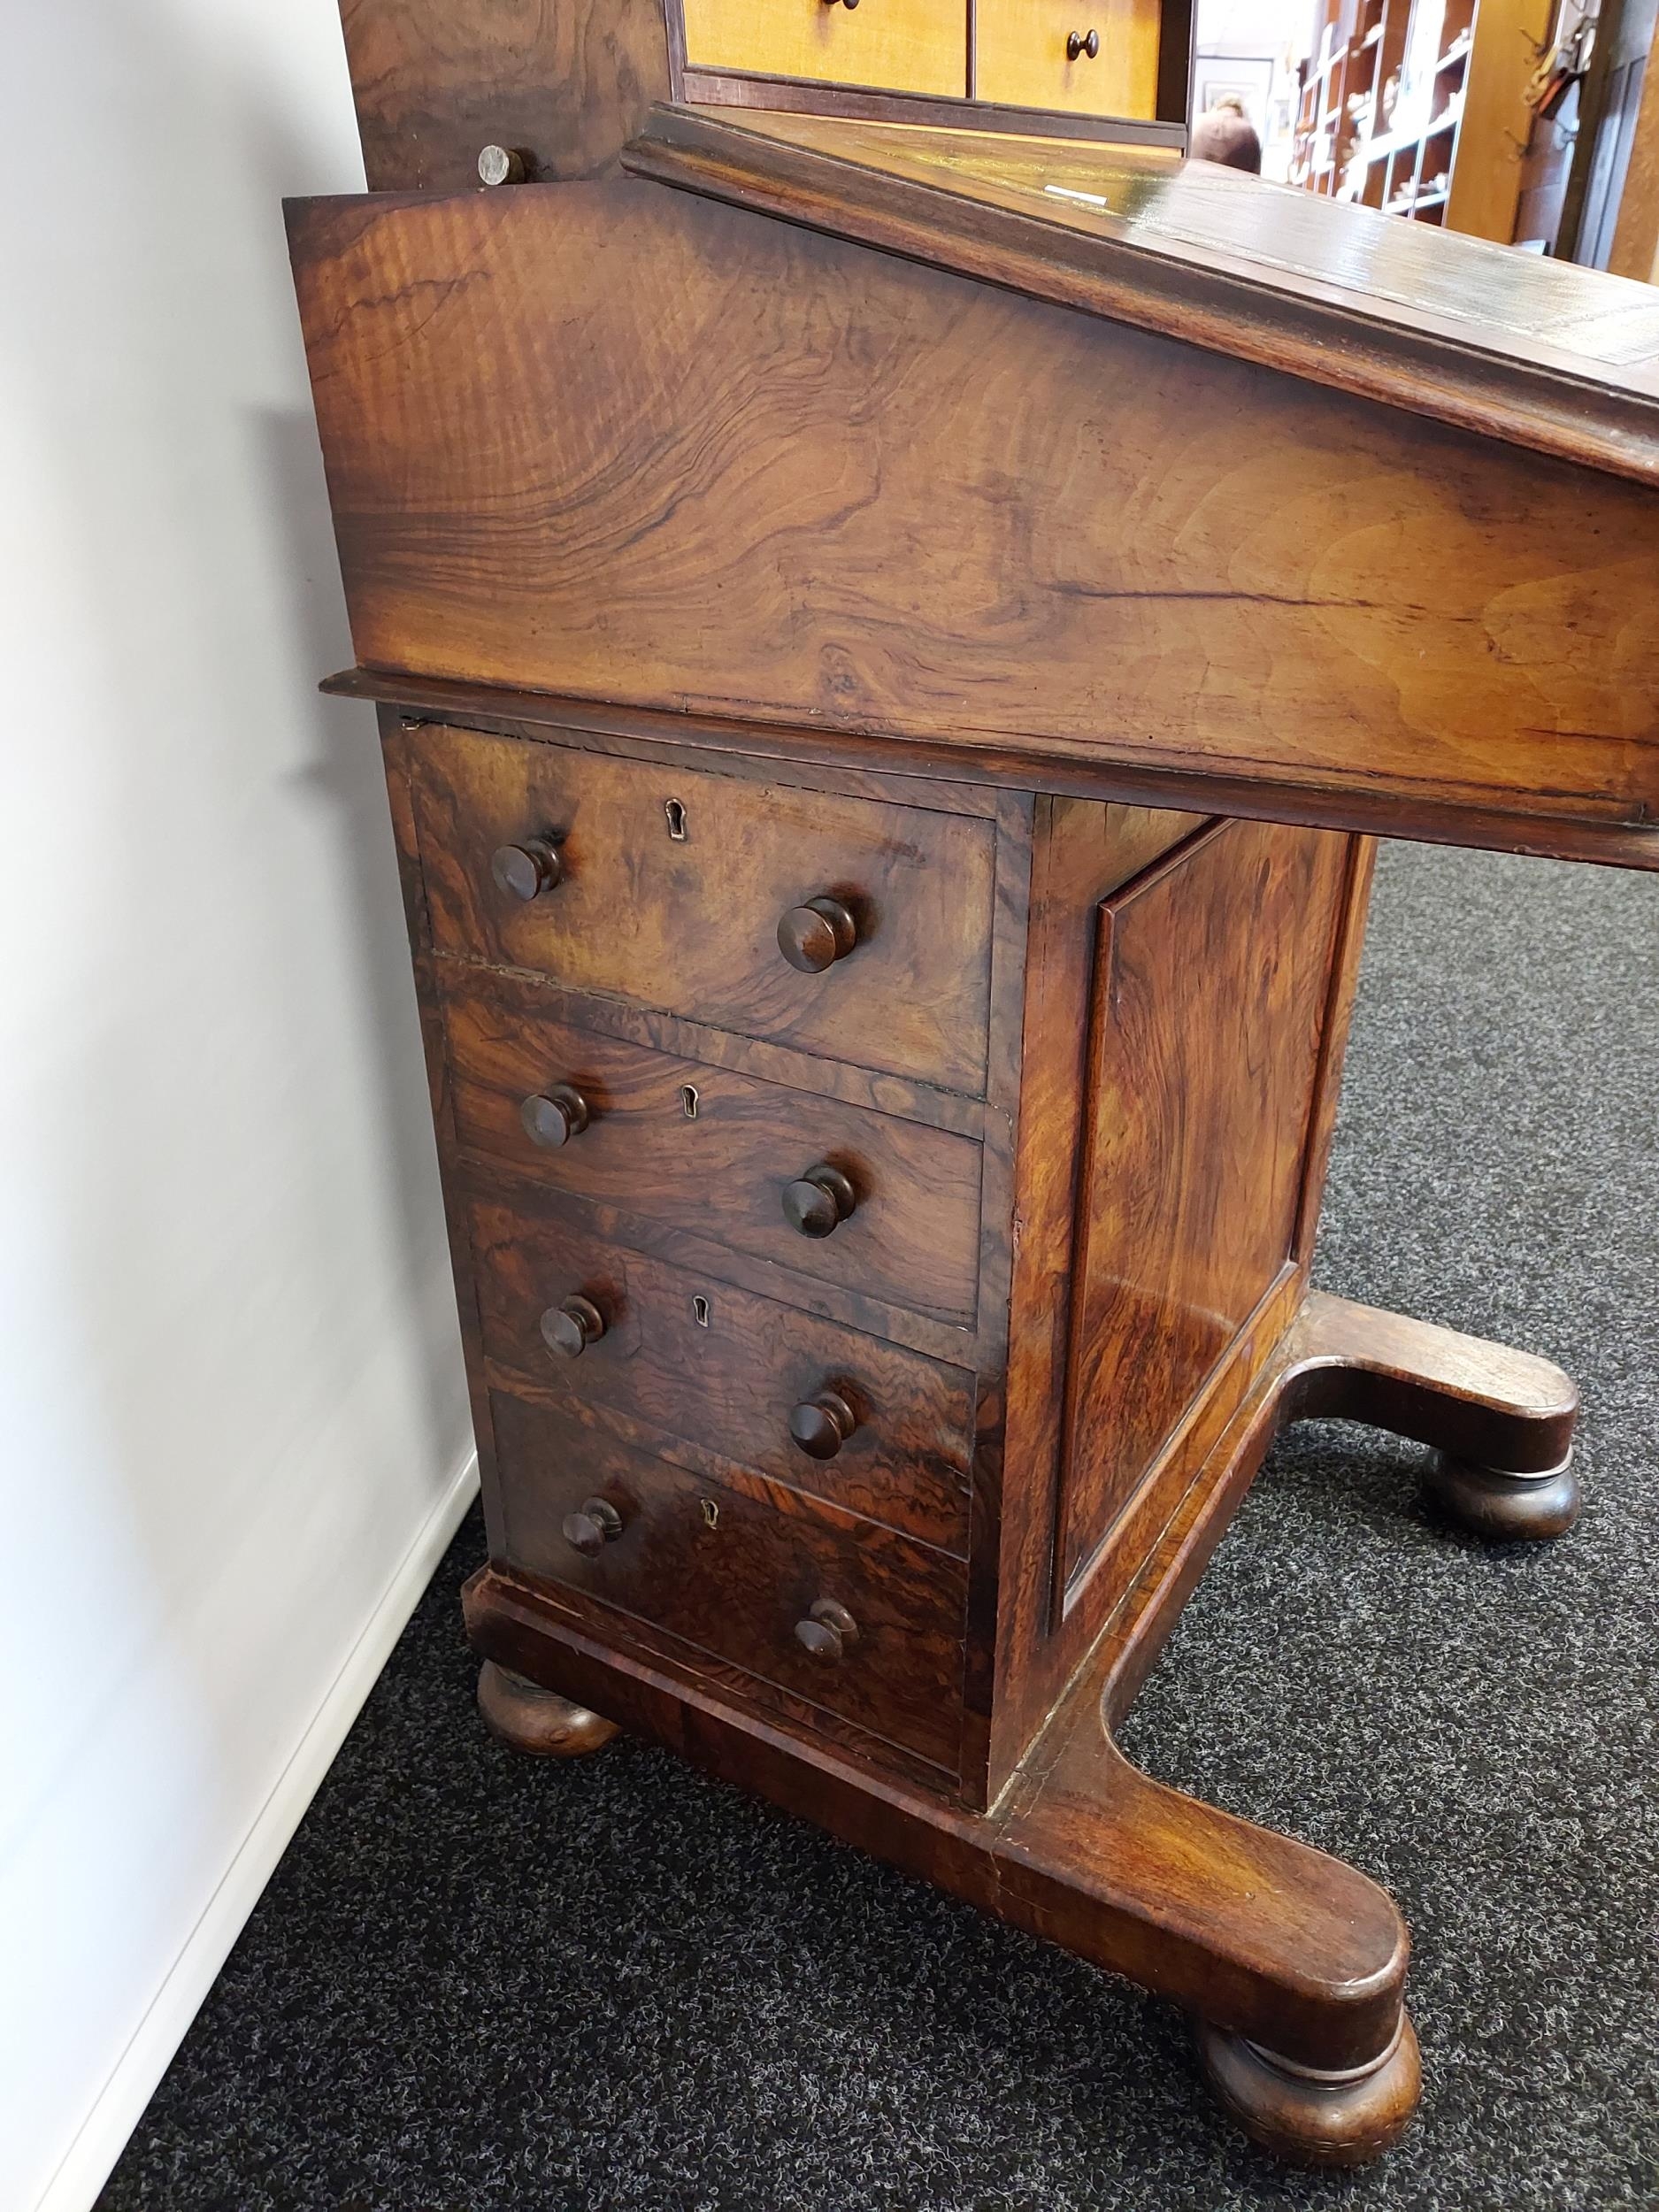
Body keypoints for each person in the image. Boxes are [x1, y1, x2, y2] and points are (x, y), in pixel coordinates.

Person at [1189, 94, 1263, 173]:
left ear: (1218, 107)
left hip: (1195, 180)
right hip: (1231, 183)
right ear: (1240, 112)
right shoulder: (1248, 132)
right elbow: (1254, 173)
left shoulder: (1197, 121)